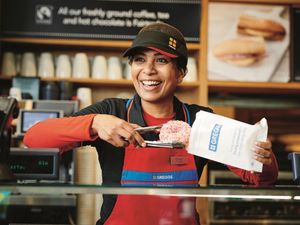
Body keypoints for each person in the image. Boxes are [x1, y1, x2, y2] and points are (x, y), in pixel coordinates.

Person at [24, 22, 278, 225]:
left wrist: (263, 158)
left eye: (161, 60)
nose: (148, 70)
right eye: (139, 60)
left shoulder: (200, 119)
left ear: (181, 73)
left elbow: (260, 180)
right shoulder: (110, 111)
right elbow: (34, 139)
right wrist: (95, 123)